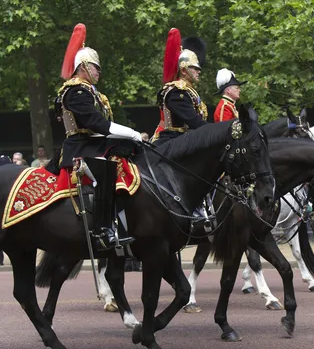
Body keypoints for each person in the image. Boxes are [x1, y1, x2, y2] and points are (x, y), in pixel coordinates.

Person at [56, 23, 142, 251]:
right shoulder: (75, 91)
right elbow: (96, 124)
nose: (99, 72)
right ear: (83, 66)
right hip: (80, 147)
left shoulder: (90, 91)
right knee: (107, 169)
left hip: (94, 144)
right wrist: (131, 132)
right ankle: (102, 230)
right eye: (96, 67)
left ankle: (122, 221)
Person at [152, 28, 207, 142]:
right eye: (195, 68)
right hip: (173, 141)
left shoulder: (188, 91)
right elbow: (193, 122)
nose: (199, 71)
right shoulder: (178, 91)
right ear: (183, 70)